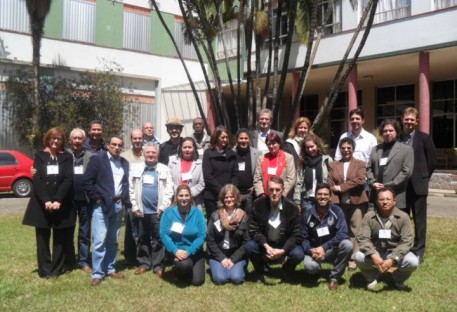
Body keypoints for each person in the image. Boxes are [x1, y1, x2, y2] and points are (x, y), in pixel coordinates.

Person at [23, 127, 75, 278]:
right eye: (53, 138)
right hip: (41, 204)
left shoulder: (67, 157)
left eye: (59, 138)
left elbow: (68, 179)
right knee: (42, 238)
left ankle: (56, 269)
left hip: (61, 203)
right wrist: (46, 200)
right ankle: (44, 270)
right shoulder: (39, 155)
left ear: (62, 141)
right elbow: (37, 179)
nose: (56, 141)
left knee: (59, 238)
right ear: (48, 139)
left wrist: (58, 200)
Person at [83, 136, 131, 286]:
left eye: (119, 145)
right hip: (102, 205)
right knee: (99, 240)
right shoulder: (98, 160)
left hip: (118, 205)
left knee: (113, 239)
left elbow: (125, 183)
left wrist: (123, 198)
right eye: (114, 144)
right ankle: (97, 273)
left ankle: (110, 268)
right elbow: (87, 182)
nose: (116, 147)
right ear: (108, 145)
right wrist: (97, 199)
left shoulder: (124, 162)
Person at [355, 187, 419, 290]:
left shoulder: (403, 217)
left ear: (394, 201)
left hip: (395, 251)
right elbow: (363, 238)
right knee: (358, 256)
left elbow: (407, 241)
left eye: (388, 199)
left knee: (413, 262)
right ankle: (372, 277)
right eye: (381, 199)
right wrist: (373, 255)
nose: (385, 202)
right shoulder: (368, 216)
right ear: (376, 201)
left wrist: (393, 259)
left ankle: (397, 279)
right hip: (376, 250)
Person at [246, 176, 304, 282]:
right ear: (267, 190)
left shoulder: (292, 207)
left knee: (298, 253)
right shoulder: (258, 204)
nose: (274, 193)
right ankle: (263, 270)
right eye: (271, 189)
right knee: (250, 246)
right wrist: (266, 246)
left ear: (283, 190)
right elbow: (253, 230)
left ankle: (286, 270)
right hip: (265, 244)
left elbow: (297, 234)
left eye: (277, 190)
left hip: (283, 245)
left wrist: (283, 250)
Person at [129, 143, 174, 277]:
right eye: (148, 152)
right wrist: (135, 206)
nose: (150, 155)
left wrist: (163, 207)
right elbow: (131, 188)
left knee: (159, 238)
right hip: (142, 210)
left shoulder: (164, 169)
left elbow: (169, 189)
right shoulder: (136, 168)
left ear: (157, 154)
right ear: (143, 153)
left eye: (153, 153)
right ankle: (144, 263)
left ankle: (158, 265)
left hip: (158, 211)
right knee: (142, 237)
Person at [400, 107, 436, 263]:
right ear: (402, 120)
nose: (409, 122)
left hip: (418, 186)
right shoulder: (397, 138)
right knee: (403, 219)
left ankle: (419, 250)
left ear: (417, 121)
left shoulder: (425, 138)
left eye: (411, 119)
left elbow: (432, 161)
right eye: (406, 119)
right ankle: (404, 248)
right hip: (401, 187)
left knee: (420, 220)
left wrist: (423, 177)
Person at [301, 183, 352, 290]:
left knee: (347, 245)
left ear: (330, 197)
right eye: (319, 194)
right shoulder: (307, 213)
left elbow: (343, 234)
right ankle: (317, 269)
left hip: (331, 250)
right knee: (310, 267)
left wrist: (324, 247)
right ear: (315, 196)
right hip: (314, 251)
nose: (322, 197)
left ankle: (334, 277)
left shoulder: (337, 211)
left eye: (325, 194)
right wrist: (311, 251)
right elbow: (303, 238)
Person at [327, 137, 369, 271]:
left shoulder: (360, 163)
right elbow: (330, 181)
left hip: (357, 201)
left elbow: (361, 180)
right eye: (343, 148)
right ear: (340, 149)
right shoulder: (334, 164)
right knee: (341, 229)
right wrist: (335, 188)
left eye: (349, 148)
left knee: (355, 229)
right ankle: (342, 256)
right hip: (339, 202)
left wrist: (342, 187)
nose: (346, 150)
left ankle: (353, 258)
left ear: (353, 149)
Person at [160, 185, 206, 286]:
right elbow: (164, 234)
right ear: (176, 197)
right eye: (181, 195)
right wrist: (175, 251)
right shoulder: (168, 213)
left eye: (186, 195)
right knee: (184, 265)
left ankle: (188, 268)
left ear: (190, 197)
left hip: (195, 251)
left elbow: (202, 236)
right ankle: (178, 270)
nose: (184, 198)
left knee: (197, 281)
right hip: (177, 251)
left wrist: (189, 251)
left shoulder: (198, 213)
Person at [206, 184, 249, 285]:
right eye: (226, 197)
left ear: (236, 198)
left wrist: (233, 259)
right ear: (222, 199)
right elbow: (210, 239)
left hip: (236, 254)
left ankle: (235, 268)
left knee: (236, 278)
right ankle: (222, 267)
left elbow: (246, 242)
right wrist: (222, 258)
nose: (229, 199)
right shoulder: (215, 216)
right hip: (219, 253)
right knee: (220, 279)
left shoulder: (243, 217)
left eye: (231, 196)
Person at [367, 119, 414, 210]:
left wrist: (388, 185)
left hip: (396, 195)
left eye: (391, 130)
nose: (388, 133)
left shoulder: (406, 150)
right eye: (385, 131)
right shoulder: (375, 149)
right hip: (376, 195)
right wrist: (373, 182)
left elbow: (406, 172)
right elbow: (368, 168)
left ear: (397, 132)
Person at [68, 128, 94, 273]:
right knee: (68, 231)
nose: (77, 141)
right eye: (74, 138)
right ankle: (70, 259)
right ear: (70, 140)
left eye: (80, 139)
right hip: (68, 201)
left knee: (84, 232)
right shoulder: (64, 155)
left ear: (84, 141)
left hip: (85, 201)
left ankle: (83, 261)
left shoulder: (91, 157)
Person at [202, 126, 238, 221]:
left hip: (229, 196)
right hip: (212, 195)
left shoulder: (232, 154)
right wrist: (222, 191)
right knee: (214, 223)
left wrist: (229, 190)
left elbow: (235, 174)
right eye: (222, 137)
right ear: (216, 137)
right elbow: (207, 176)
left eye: (226, 137)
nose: (225, 140)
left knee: (228, 221)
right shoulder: (208, 153)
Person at [121, 129, 146, 265]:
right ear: (131, 140)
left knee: (143, 228)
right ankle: (129, 257)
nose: (137, 141)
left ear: (143, 139)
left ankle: (142, 255)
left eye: (140, 138)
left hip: (144, 196)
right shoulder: (124, 156)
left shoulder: (147, 154)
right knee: (130, 228)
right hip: (130, 197)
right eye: (135, 138)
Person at [294, 134, 333, 212]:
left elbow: (331, 180)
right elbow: (298, 182)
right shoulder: (303, 162)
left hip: (323, 199)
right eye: (307, 147)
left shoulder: (326, 160)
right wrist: (297, 201)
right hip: (308, 199)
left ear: (317, 146)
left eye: (312, 146)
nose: (310, 149)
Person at [253, 132, 296, 198]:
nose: (271, 146)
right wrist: (261, 194)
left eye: (274, 143)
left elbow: (291, 178)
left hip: (281, 196)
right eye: (269, 144)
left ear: (279, 144)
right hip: (265, 196)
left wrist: (280, 193)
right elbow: (257, 178)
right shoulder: (261, 158)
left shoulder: (288, 158)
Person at [168, 137, 205, 209]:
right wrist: (179, 193)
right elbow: (169, 180)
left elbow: (202, 183)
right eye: (185, 147)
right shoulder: (172, 162)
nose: (187, 150)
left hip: (194, 201)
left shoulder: (200, 164)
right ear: (181, 148)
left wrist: (188, 194)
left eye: (189, 147)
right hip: (175, 199)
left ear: (194, 148)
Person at [233, 129, 262, 214]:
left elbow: (260, 172)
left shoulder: (257, 153)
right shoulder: (231, 153)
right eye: (241, 138)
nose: (244, 141)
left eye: (246, 138)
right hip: (236, 193)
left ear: (249, 139)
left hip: (251, 193)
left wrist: (255, 186)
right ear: (237, 139)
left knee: (250, 218)